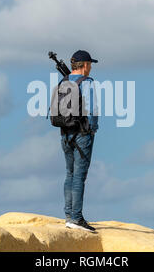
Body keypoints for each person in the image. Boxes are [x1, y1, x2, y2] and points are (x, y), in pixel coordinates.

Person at [60, 50, 99, 232]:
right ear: (84, 65)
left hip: (65, 134)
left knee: (69, 174)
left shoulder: (63, 81)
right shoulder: (87, 83)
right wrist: (92, 130)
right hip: (83, 135)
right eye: (90, 64)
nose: (91, 68)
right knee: (79, 177)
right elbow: (91, 109)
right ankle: (76, 218)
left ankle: (69, 215)